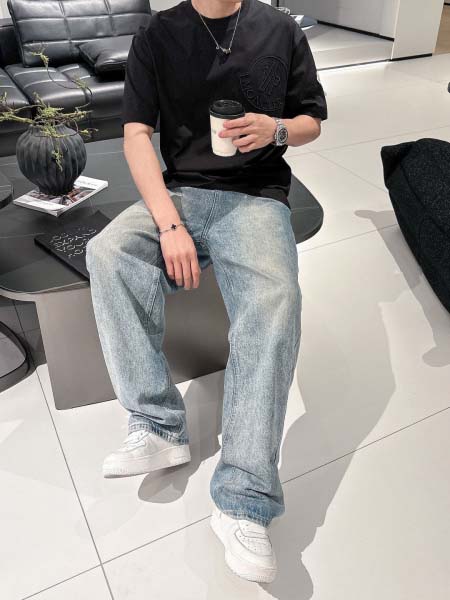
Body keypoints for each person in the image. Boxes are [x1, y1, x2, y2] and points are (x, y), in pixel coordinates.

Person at [85, 0, 327, 584]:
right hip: (183, 193)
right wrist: (169, 224)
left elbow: (311, 121)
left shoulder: (279, 29)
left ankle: (245, 499)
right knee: (109, 252)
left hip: (258, 196)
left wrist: (275, 129)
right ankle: (157, 425)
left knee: (275, 301)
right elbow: (136, 135)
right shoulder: (157, 34)